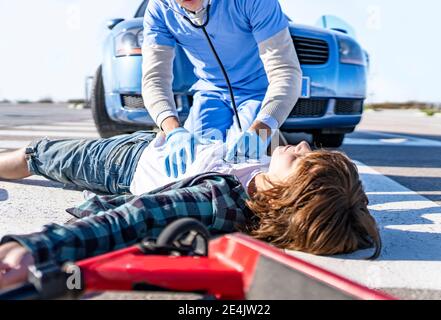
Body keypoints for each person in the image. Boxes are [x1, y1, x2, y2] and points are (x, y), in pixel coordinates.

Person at [0, 132, 381, 289]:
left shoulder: (215, 201)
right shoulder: (268, 189)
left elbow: (133, 219)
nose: (299, 144)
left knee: (39, 155)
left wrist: (36, 249)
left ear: (289, 193)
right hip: (171, 148)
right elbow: (345, 211)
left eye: (300, 159)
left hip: (132, 162)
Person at [142, 0, 303, 177]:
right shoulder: (158, 9)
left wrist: (263, 128)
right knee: (195, 164)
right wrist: (173, 131)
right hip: (210, 92)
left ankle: (275, 147)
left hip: (257, 92)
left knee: (242, 164)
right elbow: (154, 78)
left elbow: (285, 71)